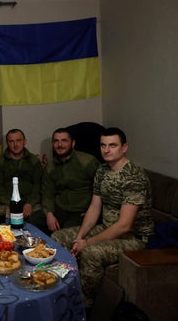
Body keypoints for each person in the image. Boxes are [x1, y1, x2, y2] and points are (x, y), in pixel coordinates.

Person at [51, 128, 153, 309]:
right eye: (103, 145)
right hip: (106, 227)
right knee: (58, 238)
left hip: (133, 238)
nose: (106, 150)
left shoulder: (134, 176)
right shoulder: (102, 171)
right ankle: (60, 290)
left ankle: (84, 304)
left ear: (124, 148)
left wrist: (87, 243)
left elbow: (124, 225)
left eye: (112, 145)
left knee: (90, 253)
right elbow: (94, 207)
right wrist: (80, 236)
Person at [40, 127, 100, 234]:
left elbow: (101, 187)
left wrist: (92, 211)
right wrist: (49, 213)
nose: (60, 145)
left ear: (73, 143)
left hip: (81, 211)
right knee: (33, 221)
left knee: (65, 231)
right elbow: (47, 194)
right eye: (56, 141)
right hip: (60, 209)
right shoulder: (50, 167)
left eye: (64, 141)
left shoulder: (87, 162)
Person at [0, 129, 43, 222]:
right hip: (7, 203)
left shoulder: (34, 161)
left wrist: (29, 204)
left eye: (18, 140)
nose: (15, 145)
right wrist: (13, 204)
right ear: (7, 143)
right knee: (6, 221)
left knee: (37, 219)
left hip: (31, 203)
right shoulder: (0, 162)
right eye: (11, 141)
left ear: (24, 142)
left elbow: (38, 185)